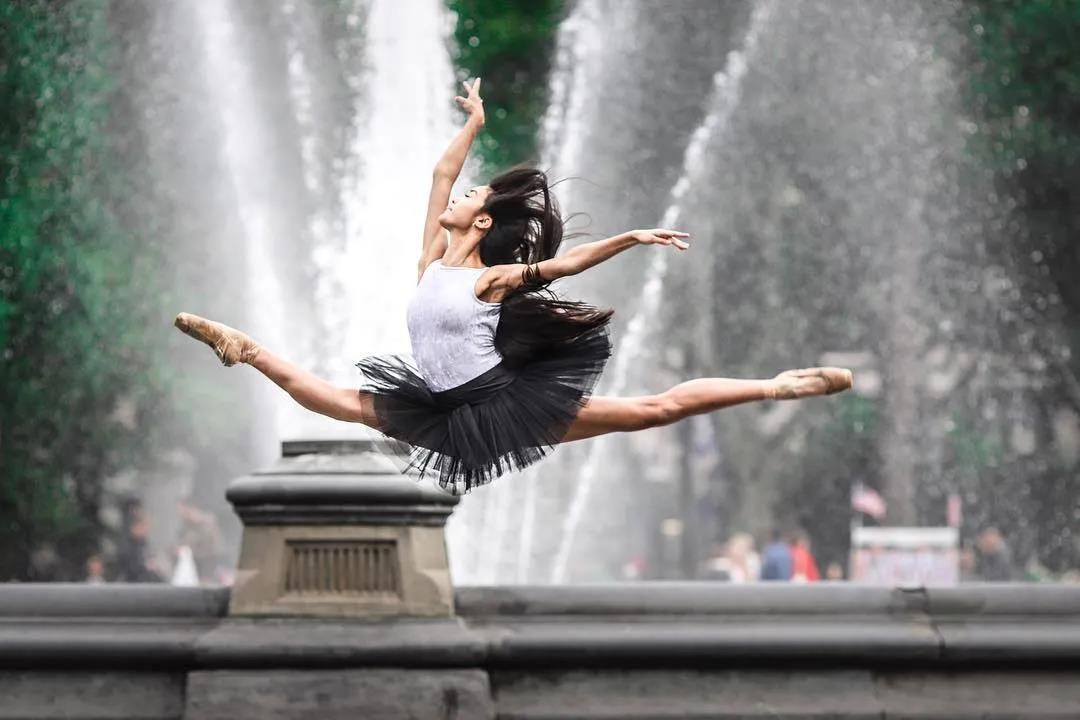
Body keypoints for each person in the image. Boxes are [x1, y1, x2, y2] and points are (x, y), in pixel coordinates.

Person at [173, 78, 854, 495]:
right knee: (334, 403)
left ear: (485, 220)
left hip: (505, 405)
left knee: (655, 410)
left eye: (470, 195)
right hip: (441, 408)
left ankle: (777, 385)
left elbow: (561, 268)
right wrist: (472, 125)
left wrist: (631, 239)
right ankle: (244, 348)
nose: (455, 195)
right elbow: (440, 178)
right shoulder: (431, 263)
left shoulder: (489, 280)